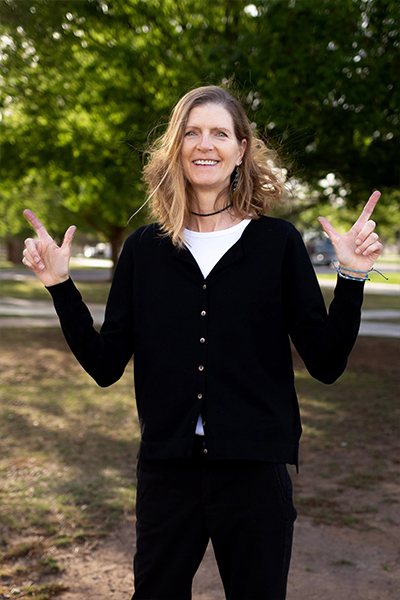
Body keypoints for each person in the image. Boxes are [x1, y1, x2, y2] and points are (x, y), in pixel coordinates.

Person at [23, 85, 383, 600]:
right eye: (191, 132)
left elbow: (325, 363)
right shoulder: (144, 250)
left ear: (242, 149)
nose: (204, 143)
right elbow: (105, 365)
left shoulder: (278, 244)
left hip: (256, 473)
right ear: (175, 148)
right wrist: (60, 286)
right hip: (169, 473)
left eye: (219, 132)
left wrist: (351, 278)